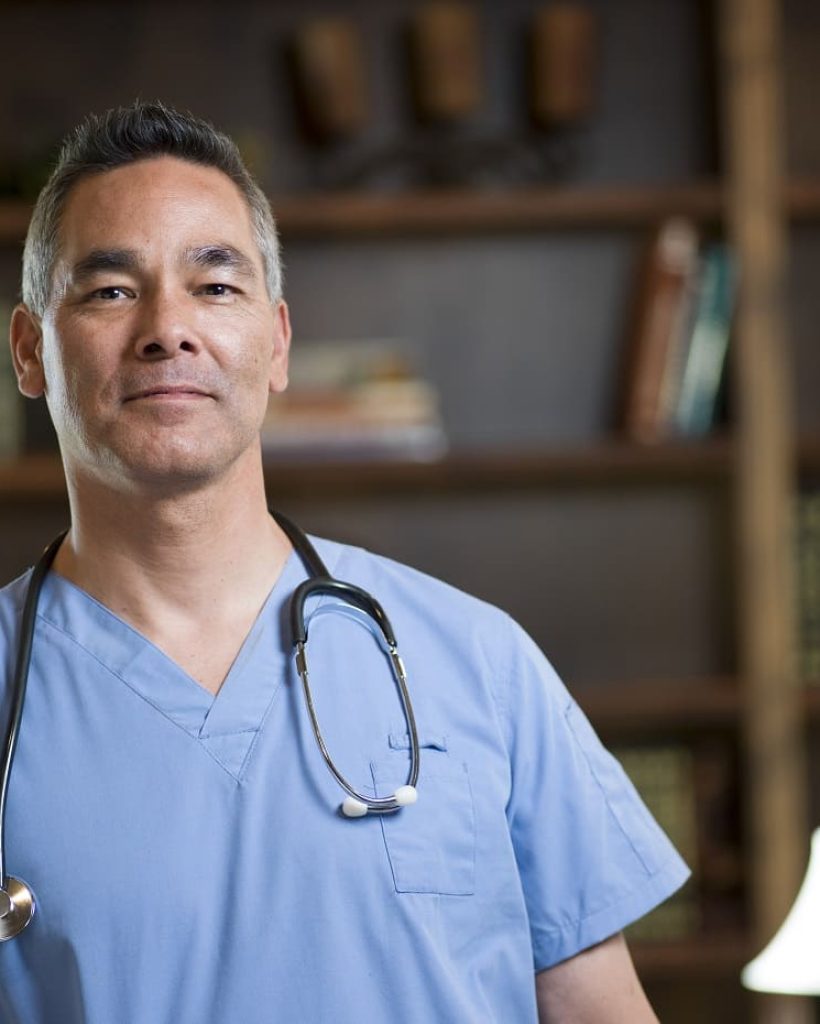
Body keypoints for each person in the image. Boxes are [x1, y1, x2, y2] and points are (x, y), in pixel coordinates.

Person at [0, 102, 688, 1024]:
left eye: (215, 286)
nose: (169, 329)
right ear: (29, 350)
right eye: (111, 290)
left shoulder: (478, 663)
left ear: (277, 343)